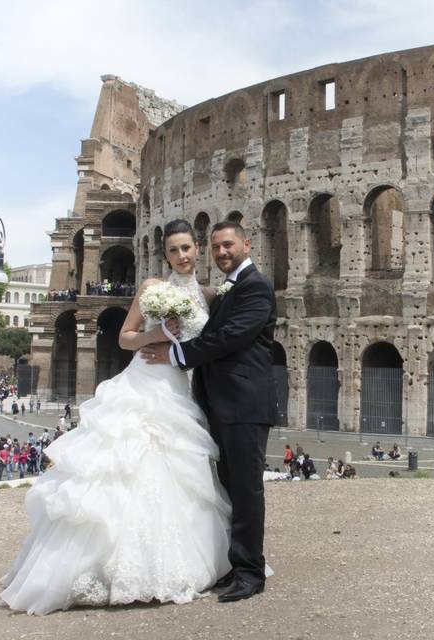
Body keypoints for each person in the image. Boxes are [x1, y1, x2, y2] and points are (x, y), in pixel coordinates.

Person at [1, 220, 232, 615]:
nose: (182, 256)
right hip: (147, 380)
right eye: (174, 250)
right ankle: (112, 565)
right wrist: (153, 337)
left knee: (179, 469)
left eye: (187, 248)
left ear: (198, 250)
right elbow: (126, 336)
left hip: (182, 386)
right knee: (130, 461)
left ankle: (180, 559)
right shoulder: (152, 289)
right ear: (165, 256)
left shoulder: (208, 295)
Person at [142, 220, 278, 604]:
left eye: (228, 245)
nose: (222, 252)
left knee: (247, 490)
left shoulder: (256, 287)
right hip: (223, 402)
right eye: (217, 246)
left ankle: (251, 573)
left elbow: (229, 337)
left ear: (247, 244)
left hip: (244, 402)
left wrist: (176, 353)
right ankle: (239, 564)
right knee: (232, 487)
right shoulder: (229, 287)